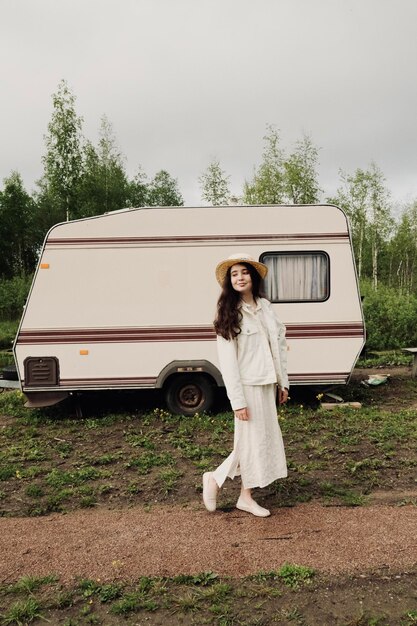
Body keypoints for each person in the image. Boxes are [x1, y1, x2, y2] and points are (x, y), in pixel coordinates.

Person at [202, 253, 289, 517]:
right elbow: (228, 364)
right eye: (234, 274)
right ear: (230, 281)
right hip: (248, 388)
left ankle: (229, 487)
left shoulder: (265, 307)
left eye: (244, 272)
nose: (240, 277)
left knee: (258, 442)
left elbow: (279, 347)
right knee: (250, 443)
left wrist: (283, 383)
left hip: (267, 384)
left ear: (253, 276)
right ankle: (232, 488)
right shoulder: (230, 313)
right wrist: (237, 401)